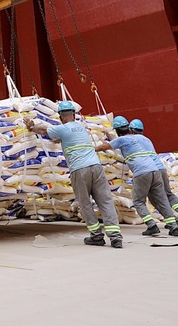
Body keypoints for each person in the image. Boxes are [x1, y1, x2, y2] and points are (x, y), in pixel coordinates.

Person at [24, 100, 123, 249]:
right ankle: (115, 237)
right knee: (105, 201)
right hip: (96, 167)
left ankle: (96, 235)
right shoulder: (81, 128)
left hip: (79, 169)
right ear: (74, 115)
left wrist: (31, 126)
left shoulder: (63, 128)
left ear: (61, 116)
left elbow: (44, 130)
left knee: (85, 203)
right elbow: (59, 139)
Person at [95, 117, 178, 236]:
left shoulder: (121, 140)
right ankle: (173, 225)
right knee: (162, 199)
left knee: (138, 201)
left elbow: (105, 146)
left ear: (118, 130)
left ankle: (151, 225)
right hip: (155, 170)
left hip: (142, 172)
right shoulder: (136, 138)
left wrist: (93, 149)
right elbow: (117, 142)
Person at [129, 118, 178, 230]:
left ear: (131, 129)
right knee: (168, 194)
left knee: (157, 199)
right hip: (161, 168)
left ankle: (173, 221)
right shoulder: (147, 140)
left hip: (151, 170)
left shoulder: (133, 140)